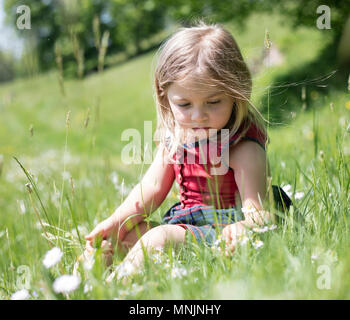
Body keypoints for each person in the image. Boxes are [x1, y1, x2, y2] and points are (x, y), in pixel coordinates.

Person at [84, 22, 292, 270]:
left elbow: (261, 214)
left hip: (222, 235)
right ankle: (81, 288)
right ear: (165, 97)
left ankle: (116, 289)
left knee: (157, 239)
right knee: (120, 238)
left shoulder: (242, 147)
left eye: (213, 102)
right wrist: (116, 222)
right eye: (184, 105)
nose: (198, 116)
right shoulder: (176, 140)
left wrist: (245, 228)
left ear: (236, 94)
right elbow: (150, 188)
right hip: (188, 227)